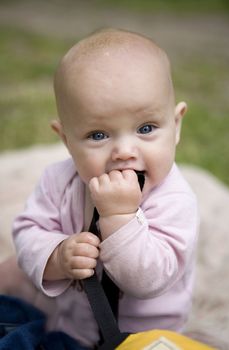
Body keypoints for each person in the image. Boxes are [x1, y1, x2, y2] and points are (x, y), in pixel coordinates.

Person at [4, 29, 199, 349]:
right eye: (98, 135)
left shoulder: (174, 199)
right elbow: (28, 229)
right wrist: (56, 256)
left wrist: (119, 217)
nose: (124, 150)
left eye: (146, 128)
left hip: (144, 339)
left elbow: (149, 281)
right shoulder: (59, 181)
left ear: (175, 125)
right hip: (70, 328)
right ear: (66, 140)